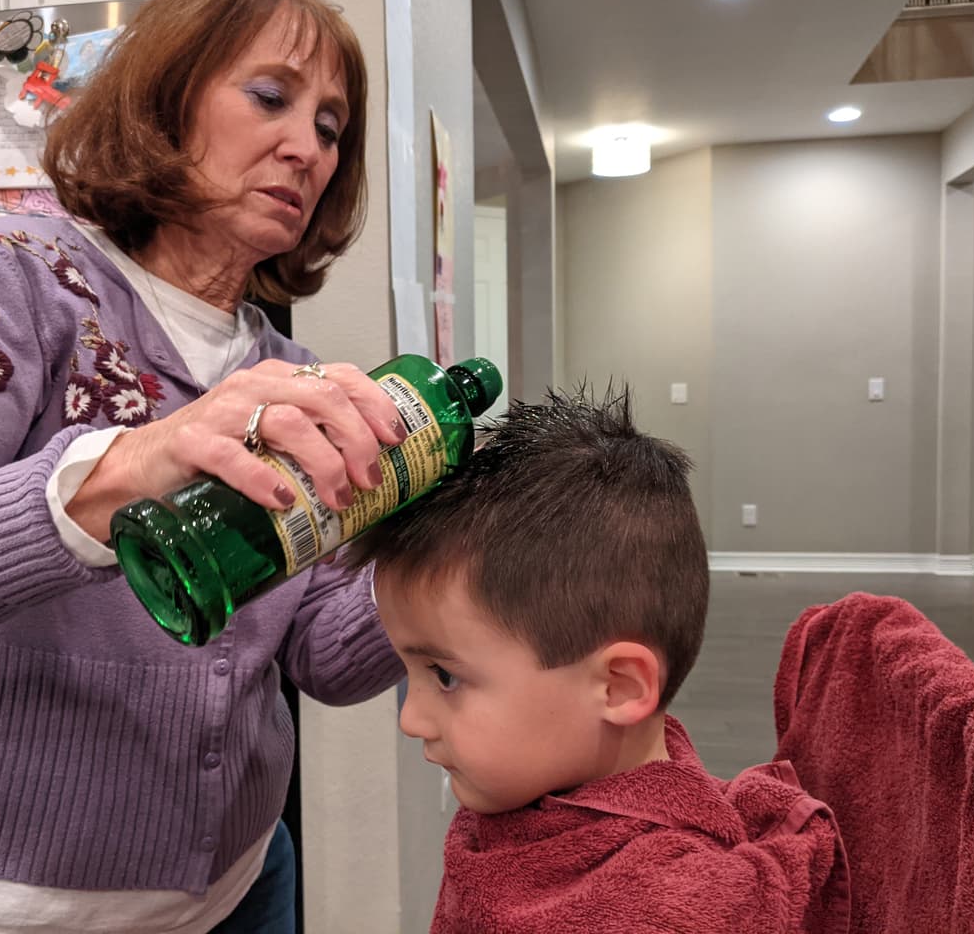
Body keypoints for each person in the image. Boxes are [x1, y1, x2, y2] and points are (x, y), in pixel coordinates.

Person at [0, 0, 406, 932]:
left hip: (244, 885)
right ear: (165, 96)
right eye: (271, 96)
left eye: (332, 126)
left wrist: (448, 553)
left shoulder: (291, 372)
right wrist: (143, 456)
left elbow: (322, 656)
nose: (307, 148)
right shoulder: (10, 275)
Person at [350, 390, 852, 934]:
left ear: (618, 687)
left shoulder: (668, 909)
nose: (411, 720)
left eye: (443, 676)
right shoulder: (523, 790)